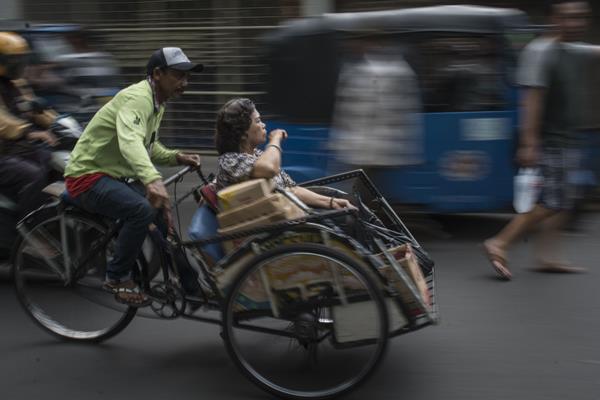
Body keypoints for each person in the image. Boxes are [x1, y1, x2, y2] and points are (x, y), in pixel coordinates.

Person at [64, 47, 203, 306]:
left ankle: (190, 285)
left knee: (162, 213)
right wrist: (152, 179)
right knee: (141, 211)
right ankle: (117, 276)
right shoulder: (138, 99)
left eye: (187, 77)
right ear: (158, 74)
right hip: (87, 176)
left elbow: (148, 146)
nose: (184, 83)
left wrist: (176, 157)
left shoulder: (156, 102)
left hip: (112, 176)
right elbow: (130, 143)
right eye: (178, 76)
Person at [483, 0, 592, 279]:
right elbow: (531, 99)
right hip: (550, 140)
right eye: (569, 17)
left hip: (568, 137)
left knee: (563, 201)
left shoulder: (569, 48)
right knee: (553, 201)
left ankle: (547, 256)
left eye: (581, 17)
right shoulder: (540, 51)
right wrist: (529, 142)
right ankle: (500, 241)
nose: (576, 23)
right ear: (555, 18)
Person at [213, 97, 355, 210]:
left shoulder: (256, 155)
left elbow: (291, 190)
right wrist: (275, 139)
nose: (263, 125)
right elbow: (269, 169)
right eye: (258, 121)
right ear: (243, 133)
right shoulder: (231, 161)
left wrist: (331, 202)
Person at [0, 31, 59, 260]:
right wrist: (28, 131)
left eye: (20, 60)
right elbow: (3, 122)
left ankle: (57, 224)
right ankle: (32, 234)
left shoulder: (16, 83)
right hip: (4, 155)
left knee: (55, 167)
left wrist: (58, 123)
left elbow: (34, 107)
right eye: (13, 61)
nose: (19, 66)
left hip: (20, 150)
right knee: (35, 176)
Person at [329, 35, 423, 176]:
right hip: (374, 148)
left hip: (367, 148)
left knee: (359, 187)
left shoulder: (368, 71)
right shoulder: (397, 68)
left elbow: (360, 111)